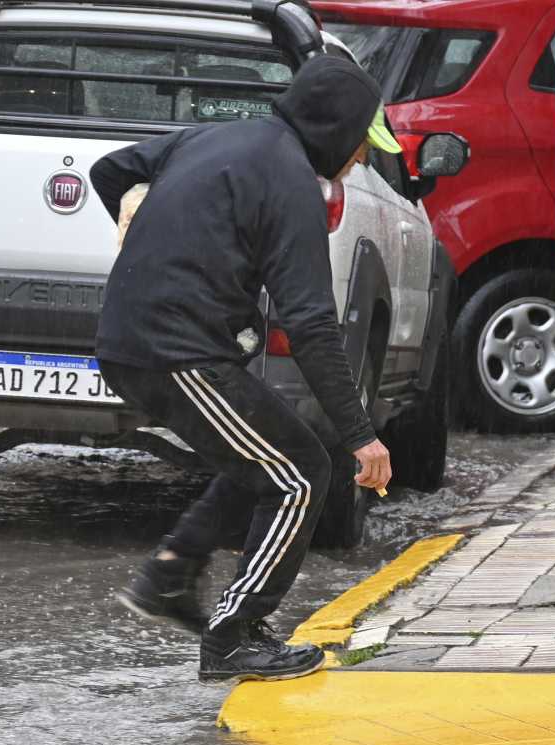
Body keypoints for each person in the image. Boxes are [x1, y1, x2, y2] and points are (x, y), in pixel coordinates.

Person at [91, 53, 400, 683]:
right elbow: (313, 324)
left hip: (145, 340)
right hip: (177, 351)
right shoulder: (292, 185)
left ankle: (170, 575)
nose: (362, 159)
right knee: (303, 471)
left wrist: (143, 227)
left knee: (261, 457)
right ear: (336, 129)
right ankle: (234, 636)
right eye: (362, 144)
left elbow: (110, 170)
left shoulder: (216, 137)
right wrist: (361, 434)